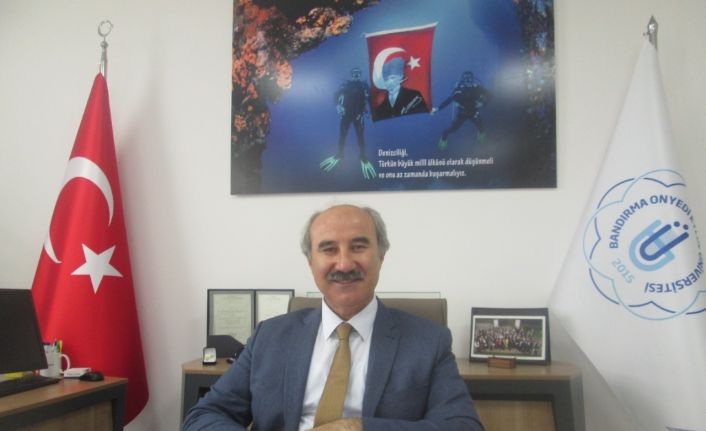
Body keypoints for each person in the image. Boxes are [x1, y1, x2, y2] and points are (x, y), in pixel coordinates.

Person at [182, 204, 484, 431]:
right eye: (328, 249)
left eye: (358, 247)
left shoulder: (428, 341)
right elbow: (203, 416)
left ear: (381, 256)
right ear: (310, 262)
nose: (344, 263)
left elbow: (462, 426)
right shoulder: (269, 337)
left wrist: (359, 428)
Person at [320, 68, 376, 180]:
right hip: (346, 114)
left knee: (360, 137)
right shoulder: (346, 85)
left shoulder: (364, 86)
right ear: (351, 75)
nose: (356, 75)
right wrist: (338, 106)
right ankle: (340, 154)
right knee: (342, 135)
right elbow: (336, 96)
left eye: (358, 73)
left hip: (359, 115)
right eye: (354, 73)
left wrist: (373, 113)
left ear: (360, 74)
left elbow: (370, 99)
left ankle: (362, 156)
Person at [431, 71, 491, 150]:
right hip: (463, 113)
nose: (468, 80)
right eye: (466, 78)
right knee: (453, 129)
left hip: (474, 112)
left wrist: (483, 103)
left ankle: (481, 136)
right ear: (463, 80)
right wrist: (438, 108)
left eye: (470, 78)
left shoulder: (477, 88)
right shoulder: (459, 90)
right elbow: (449, 100)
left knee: (481, 127)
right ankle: (443, 137)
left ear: (473, 79)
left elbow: (490, 95)